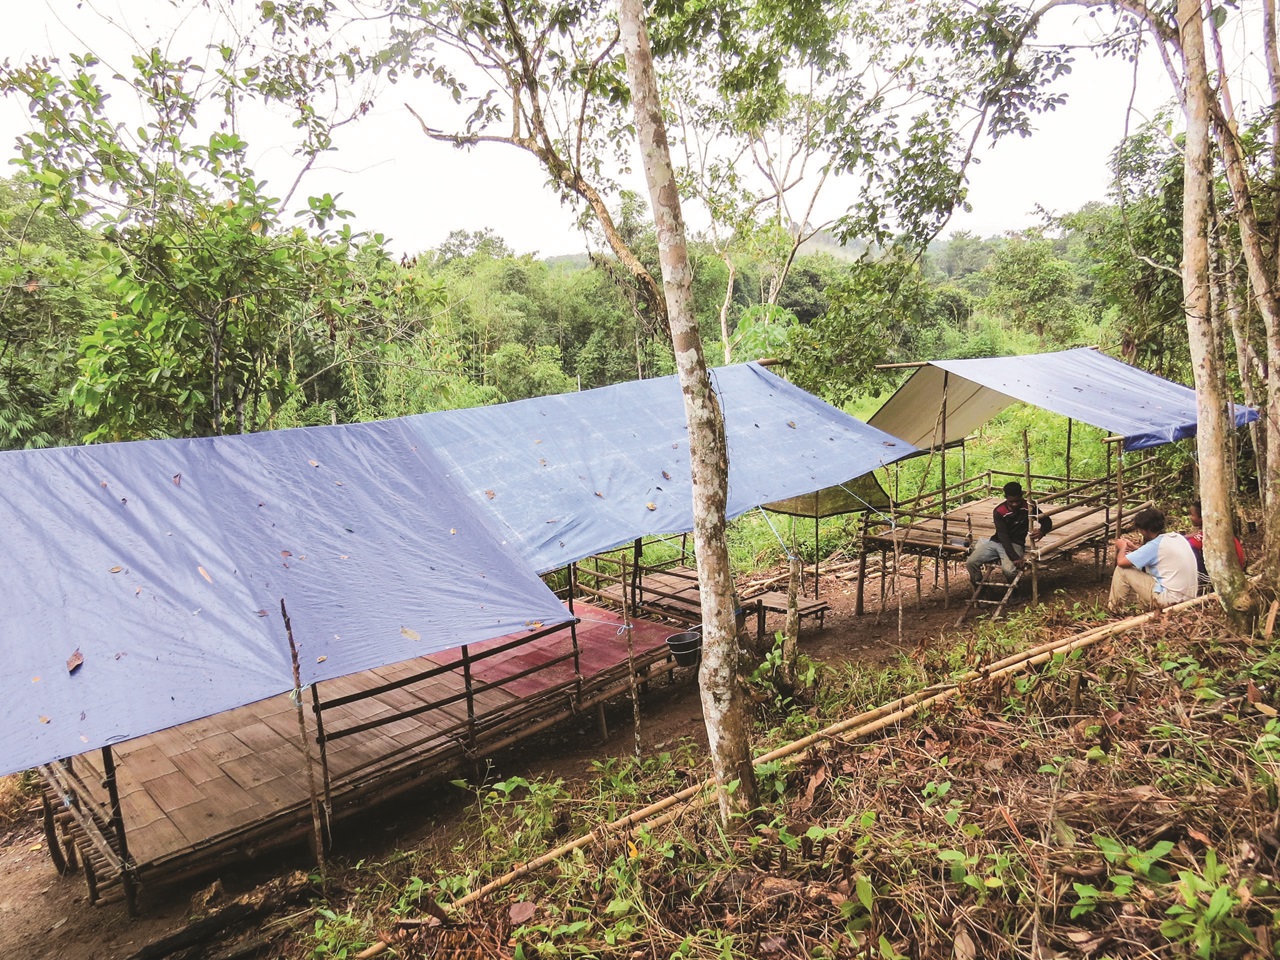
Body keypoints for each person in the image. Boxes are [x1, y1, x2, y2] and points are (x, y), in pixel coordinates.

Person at [1107, 507, 1199, 612]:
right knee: (1149, 575)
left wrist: (1122, 547)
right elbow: (1155, 556)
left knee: (1122, 570)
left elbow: (1121, 562)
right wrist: (1134, 548)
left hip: (1170, 600)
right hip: (1188, 599)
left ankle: (1114, 609)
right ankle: (1141, 609)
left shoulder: (1155, 545)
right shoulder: (1176, 538)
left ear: (1146, 530)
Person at [966, 481, 1052, 589]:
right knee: (971, 562)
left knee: (1009, 571)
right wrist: (1014, 557)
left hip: (1016, 543)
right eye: (1011, 501)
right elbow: (1003, 536)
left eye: (1017, 501)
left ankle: (1015, 592)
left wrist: (1042, 531)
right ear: (1006, 498)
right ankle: (983, 591)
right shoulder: (999, 511)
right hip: (997, 541)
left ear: (1021, 497)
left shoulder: (1028, 507)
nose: (1015, 504)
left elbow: (1047, 521)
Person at [1185, 499, 1245, 591]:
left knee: (1190, 551)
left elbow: (1187, 544)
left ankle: (1208, 583)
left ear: (1202, 517)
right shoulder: (1217, 527)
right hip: (1236, 570)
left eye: (1192, 515)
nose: (1190, 517)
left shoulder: (1209, 534)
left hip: (1227, 574)